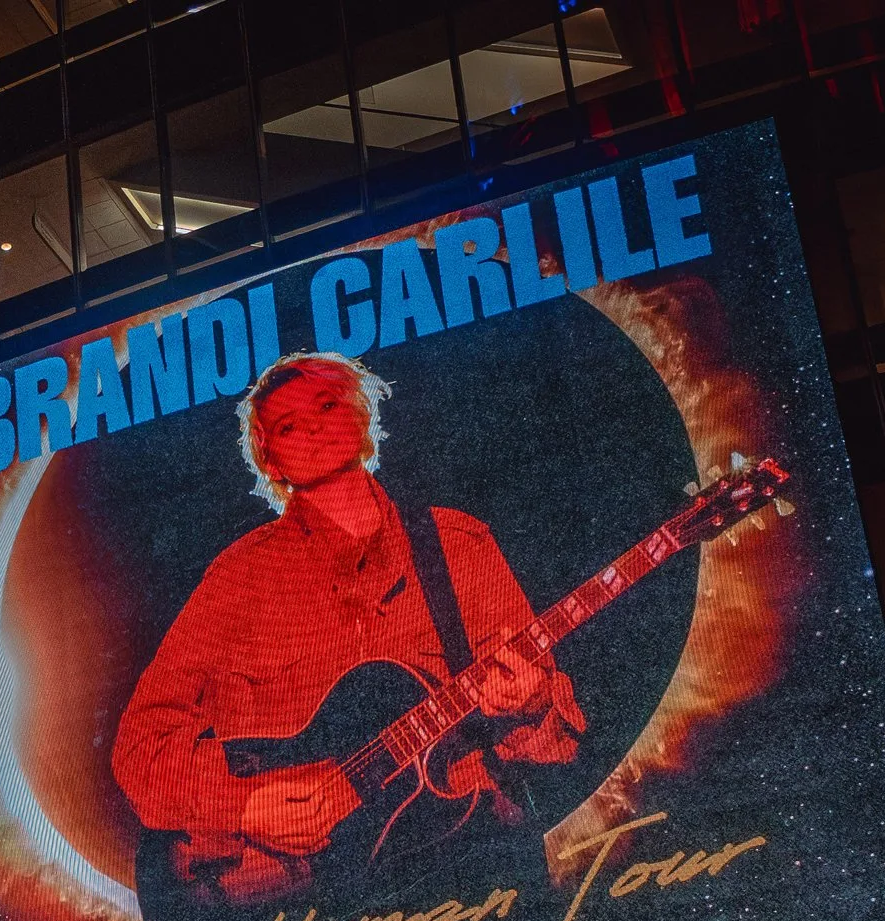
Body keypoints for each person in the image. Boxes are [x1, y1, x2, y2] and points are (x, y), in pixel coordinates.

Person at [113, 351, 585, 881]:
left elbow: (554, 755)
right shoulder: (239, 578)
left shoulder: (459, 545)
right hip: (309, 909)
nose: (314, 428)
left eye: (328, 405)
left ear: (361, 417)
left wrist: (532, 704)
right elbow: (141, 744)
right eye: (289, 426)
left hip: (470, 868)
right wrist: (241, 808)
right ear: (271, 463)